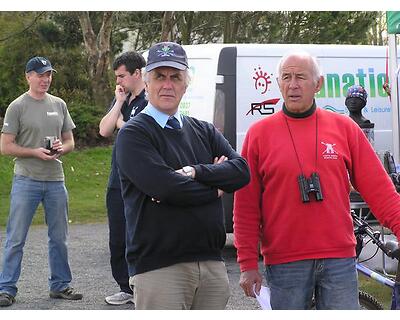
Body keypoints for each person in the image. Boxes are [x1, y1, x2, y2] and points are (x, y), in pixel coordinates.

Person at [233, 51, 400, 310]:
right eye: (286, 77)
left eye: (300, 77)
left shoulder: (344, 128)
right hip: (285, 263)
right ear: (279, 83)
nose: (293, 84)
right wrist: (246, 263)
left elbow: (380, 190)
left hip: (339, 261)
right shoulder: (258, 135)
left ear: (318, 84)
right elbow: (245, 206)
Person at [115, 41, 250, 310]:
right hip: (159, 268)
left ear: (185, 84)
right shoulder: (134, 134)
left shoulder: (204, 130)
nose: (168, 84)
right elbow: (167, 188)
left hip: (211, 265)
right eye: (160, 76)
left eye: (175, 77)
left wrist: (195, 172)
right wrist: (215, 189)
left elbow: (241, 171)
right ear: (146, 81)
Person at [0, 56, 82, 307]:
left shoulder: (59, 104)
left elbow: (70, 142)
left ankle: (60, 286)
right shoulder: (17, 106)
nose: (46, 79)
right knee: (16, 237)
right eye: (40, 74)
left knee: (59, 237)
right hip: (27, 180)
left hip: (56, 180)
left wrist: (61, 147)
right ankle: (6, 288)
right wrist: (34, 152)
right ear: (28, 76)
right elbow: (5, 146)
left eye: (49, 75)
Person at [99, 51, 147, 305]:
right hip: (117, 180)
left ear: (137, 73)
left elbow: (135, 130)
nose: (118, 82)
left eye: (122, 76)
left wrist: (122, 122)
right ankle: (124, 287)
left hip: (140, 182)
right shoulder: (122, 98)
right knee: (117, 236)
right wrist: (118, 105)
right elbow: (104, 129)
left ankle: (141, 286)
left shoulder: (151, 100)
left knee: (137, 234)